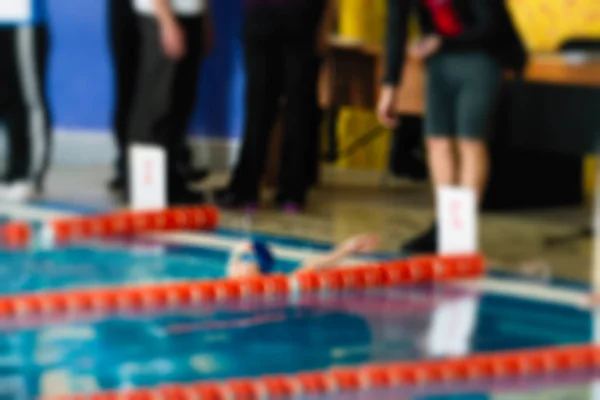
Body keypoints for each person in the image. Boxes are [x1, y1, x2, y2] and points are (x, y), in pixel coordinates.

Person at [378, 0, 526, 254]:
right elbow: (396, 27)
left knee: (470, 141)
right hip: (440, 61)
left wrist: (442, 42)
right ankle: (445, 226)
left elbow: (492, 25)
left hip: (482, 55)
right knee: (438, 141)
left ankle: (460, 229)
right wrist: (390, 86)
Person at [216, 0, 337, 214]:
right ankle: (291, 193)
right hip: (295, 16)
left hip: (272, 14)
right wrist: (326, 26)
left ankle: (249, 191)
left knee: (265, 107)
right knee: (294, 107)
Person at [108, 0, 211, 201]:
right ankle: (143, 186)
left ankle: (171, 181)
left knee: (180, 104)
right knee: (157, 106)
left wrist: (206, 18)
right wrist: (166, 21)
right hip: (165, 17)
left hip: (190, 14)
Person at [0, 0, 52, 202]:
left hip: (23, 19)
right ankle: (13, 170)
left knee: (29, 97)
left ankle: (31, 173)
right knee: (5, 99)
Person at [227, 234, 379, 278]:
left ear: (261, 266)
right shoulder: (221, 285)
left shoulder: (277, 285)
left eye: (244, 258)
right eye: (234, 258)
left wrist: (346, 248)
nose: (235, 265)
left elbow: (312, 265)